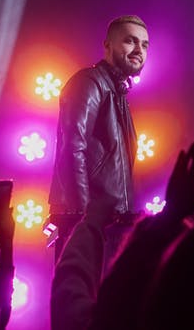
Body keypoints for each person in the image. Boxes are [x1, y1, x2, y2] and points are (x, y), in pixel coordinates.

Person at [48, 15, 149, 261]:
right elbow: (72, 149)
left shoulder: (117, 93)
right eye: (130, 41)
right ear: (107, 46)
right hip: (90, 226)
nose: (139, 50)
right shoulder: (89, 83)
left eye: (144, 45)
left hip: (110, 225)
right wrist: (84, 220)